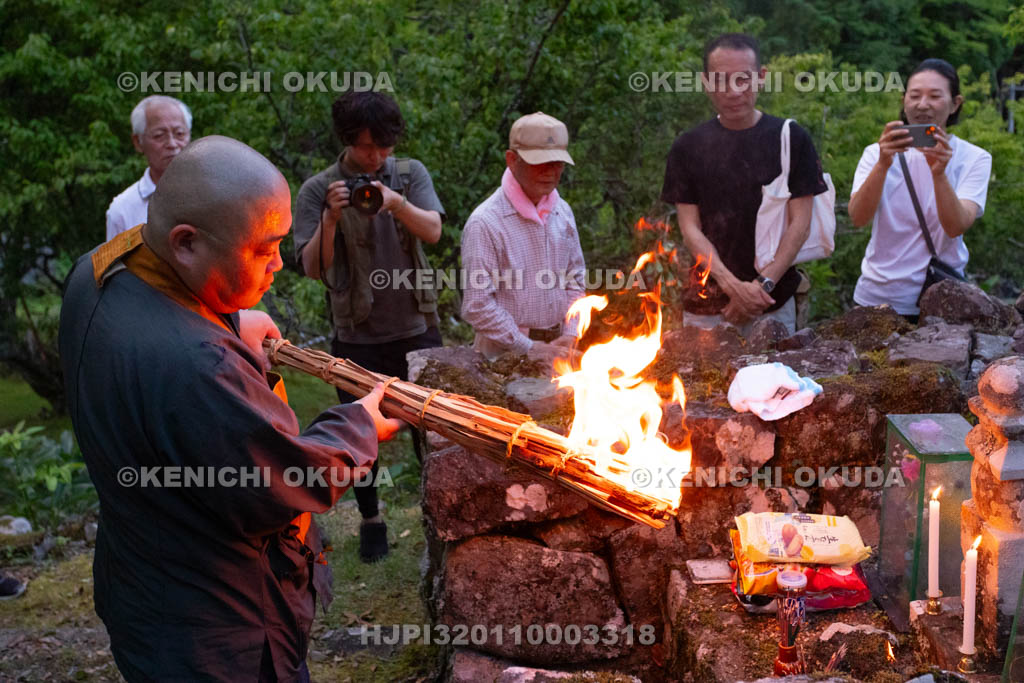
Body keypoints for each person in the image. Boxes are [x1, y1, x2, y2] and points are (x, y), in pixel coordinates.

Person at [59, 135, 402, 682]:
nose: (279, 265)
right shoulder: (201, 366)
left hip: (141, 589)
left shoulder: (94, 273)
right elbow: (284, 483)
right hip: (219, 629)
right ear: (187, 243)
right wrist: (358, 425)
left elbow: (160, 316)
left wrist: (229, 320)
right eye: (264, 250)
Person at [293, 91, 444, 563]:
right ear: (345, 141)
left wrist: (396, 203)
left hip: (416, 324)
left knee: (432, 430)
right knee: (360, 434)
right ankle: (371, 519)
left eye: (384, 146)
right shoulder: (319, 189)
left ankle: (440, 519)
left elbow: (433, 231)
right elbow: (312, 267)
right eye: (365, 146)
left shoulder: (409, 174)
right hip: (356, 332)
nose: (376, 156)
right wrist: (331, 217)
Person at [661, 33, 828, 336]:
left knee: (777, 369)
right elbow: (689, 227)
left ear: (761, 77)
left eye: (743, 79)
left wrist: (762, 286)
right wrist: (733, 287)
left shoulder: (791, 138)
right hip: (705, 304)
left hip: (773, 301)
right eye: (721, 80)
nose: (734, 91)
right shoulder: (688, 146)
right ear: (706, 82)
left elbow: (800, 223)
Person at [848, 58, 992, 322]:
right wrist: (883, 164)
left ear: (955, 103)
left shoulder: (974, 158)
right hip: (875, 297)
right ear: (904, 100)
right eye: (914, 96)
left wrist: (939, 173)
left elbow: (956, 226)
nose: (922, 104)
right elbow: (858, 217)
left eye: (934, 96)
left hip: (941, 299)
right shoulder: (875, 154)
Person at [460, 111, 586, 360]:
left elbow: (575, 279)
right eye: (539, 163)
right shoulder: (485, 222)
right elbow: (477, 304)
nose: (550, 172)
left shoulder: (562, 212)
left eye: (557, 163)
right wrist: (527, 346)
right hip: (501, 355)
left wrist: (571, 332)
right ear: (512, 160)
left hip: (557, 348)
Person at [106, 95, 192, 241]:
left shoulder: (213, 193)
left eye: (179, 134)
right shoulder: (122, 211)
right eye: (159, 135)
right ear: (138, 142)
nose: (172, 144)